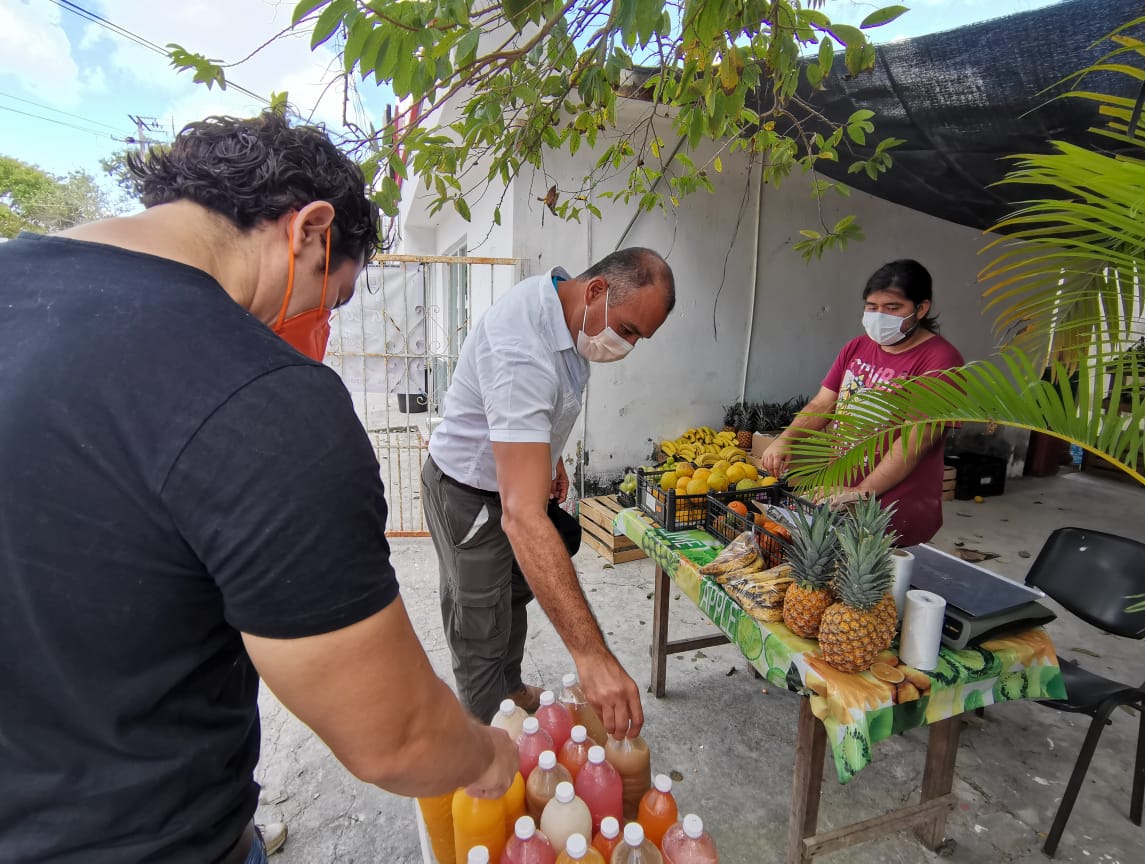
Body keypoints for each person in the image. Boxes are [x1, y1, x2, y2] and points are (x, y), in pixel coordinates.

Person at [0, 112, 517, 864]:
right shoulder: (262, 398)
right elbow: (395, 736)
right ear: (310, 230)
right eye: (330, 300)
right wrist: (482, 754)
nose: (320, 331)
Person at [422, 249, 675, 737]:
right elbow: (521, 517)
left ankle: (510, 691)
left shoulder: (562, 307)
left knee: (513, 594)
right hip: (469, 493)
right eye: (627, 330)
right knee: (479, 618)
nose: (627, 346)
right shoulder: (522, 349)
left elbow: (532, 408)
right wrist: (592, 655)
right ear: (597, 290)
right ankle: (487, 738)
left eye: (639, 338)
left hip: (509, 479)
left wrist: (549, 454)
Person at [761, 259, 964, 546]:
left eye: (893, 308)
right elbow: (823, 403)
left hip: (894, 511)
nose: (879, 316)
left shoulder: (940, 361)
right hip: (839, 497)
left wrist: (862, 491)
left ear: (921, 308)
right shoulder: (857, 347)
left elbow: (914, 442)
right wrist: (787, 439)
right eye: (872, 307)